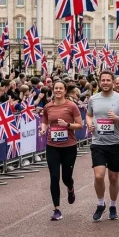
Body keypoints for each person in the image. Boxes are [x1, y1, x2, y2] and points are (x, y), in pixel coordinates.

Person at [86, 71, 119, 222]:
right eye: (102, 80)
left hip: (115, 143)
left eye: (108, 80)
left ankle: (113, 205)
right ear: (99, 82)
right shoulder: (93, 99)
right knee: (98, 176)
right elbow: (89, 114)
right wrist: (89, 123)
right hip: (98, 143)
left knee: (114, 177)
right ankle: (100, 203)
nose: (105, 83)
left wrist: (117, 119)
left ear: (113, 82)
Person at [41, 81, 83, 221]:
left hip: (69, 146)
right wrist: (43, 128)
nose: (58, 90)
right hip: (52, 146)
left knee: (66, 177)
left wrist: (68, 125)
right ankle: (57, 209)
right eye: (56, 88)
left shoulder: (71, 106)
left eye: (60, 88)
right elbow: (45, 120)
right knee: (54, 177)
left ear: (65, 91)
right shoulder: (48, 106)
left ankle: (70, 188)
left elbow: (80, 125)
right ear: (53, 90)